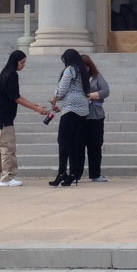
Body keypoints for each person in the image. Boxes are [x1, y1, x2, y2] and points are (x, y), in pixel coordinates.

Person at [0, 50, 45, 187]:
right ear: (15, 62)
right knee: (8, 148)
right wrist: (36, 109)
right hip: (4, 117)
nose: (23, 65)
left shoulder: (5, 73)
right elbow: (16, 98)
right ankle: (7, 177)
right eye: (22, 62)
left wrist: (33, 104)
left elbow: (15, 94)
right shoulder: (12, 75)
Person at [48, 48, 91, 187]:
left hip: (70, 108)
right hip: (83, 109)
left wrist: (55, 98)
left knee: (62, 140)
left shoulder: (70, 70)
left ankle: (61, 173)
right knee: (73, 142)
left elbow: (62, 88)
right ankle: (73, 173)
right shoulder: (82, 71)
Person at [80, 54, 110, 183]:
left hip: (95, 115)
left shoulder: (96, 77)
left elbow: (106, 90)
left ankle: (95, 173)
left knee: (95, 145)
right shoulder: (75, 78)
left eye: (86, 66)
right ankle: (77, 172)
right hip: (80, 115)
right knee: (79, 146)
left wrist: (91, 95)